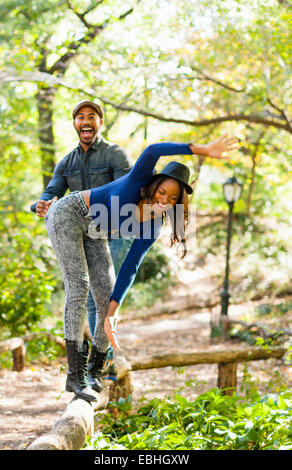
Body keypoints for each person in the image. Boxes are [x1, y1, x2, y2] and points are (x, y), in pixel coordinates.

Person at [43, 134, 238, 402]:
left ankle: (94, 372)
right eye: (162, 192)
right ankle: (74, 377)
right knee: (79, 286)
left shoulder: (154, 224)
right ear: (154, 185)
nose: (164, 199)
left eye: (172, 198)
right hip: (68, 214)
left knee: (105, 300)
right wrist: (202, 149)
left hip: (94, 231)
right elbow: (153, 149)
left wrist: (113, 311)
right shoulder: (136, 182)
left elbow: (132, 265)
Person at [31, 100, 133, 382]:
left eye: (91, 117)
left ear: (100, 122)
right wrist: (39, 205)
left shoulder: (115, 155)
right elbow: (50, 192)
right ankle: (102, 363)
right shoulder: (67, 161)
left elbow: (128, 189)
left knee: (107, 295)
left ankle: (107, 361)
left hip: (118, 230)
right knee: (90, 297)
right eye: (80, 117)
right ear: (75, 124)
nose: (85, 121)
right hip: (90, 233)